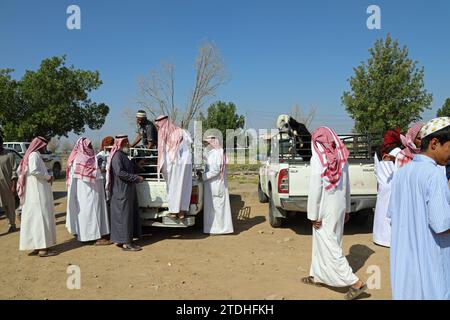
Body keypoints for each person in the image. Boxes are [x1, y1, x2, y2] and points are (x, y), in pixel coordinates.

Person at [388, 117, 450, 300]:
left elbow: (392, 214)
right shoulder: (434, 175)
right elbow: (442, 224)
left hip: (406, 263)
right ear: (434, 143)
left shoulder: (402, 173)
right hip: (430, 262)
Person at [302, 127, 367, 300]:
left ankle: (355, 282)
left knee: (329, 244)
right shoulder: (341, 156)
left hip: (324, 206)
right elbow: (347, 184)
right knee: (327, 242)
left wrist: (313, 214)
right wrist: (346, 208)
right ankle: (317, 276)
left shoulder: (318, 158)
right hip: (338, 206)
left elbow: (316, 187)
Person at [17, 137, 57, 257]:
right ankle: (42, 248)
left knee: (35, 218)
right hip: (37, 190)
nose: (45, 147)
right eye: (44, 145)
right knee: (41, 217)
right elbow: (34, 170)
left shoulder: (33, 154)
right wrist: (48, 177)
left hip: (35, 190)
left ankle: (36, 245)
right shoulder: (34, 155)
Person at [66, 138, 111, 245]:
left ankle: (91, 235)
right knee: (90, 212)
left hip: (94, 190)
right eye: (89, 145)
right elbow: (83, 175)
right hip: (85, 192)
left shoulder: (92, 157)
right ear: (83, 146)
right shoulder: (79, 159)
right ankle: (93, 237)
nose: (91, 146)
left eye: (91, 144)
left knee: (94, 211)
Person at [106, 135, 144, 251]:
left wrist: (138, 166)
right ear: (121, 144)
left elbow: (129, 168)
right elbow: (120, 173)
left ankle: (122, 240)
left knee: (125, 217)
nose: (129, 145)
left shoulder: (123, 156)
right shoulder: (117, 156)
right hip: (121, 192)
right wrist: (136, 178)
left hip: (125, 191)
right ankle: (127, 243)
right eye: (126, 143)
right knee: (124, 217)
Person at [154, 115, 192, 220]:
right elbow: (190, 142)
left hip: (173, 165)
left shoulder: (162, 133)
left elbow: (162, 153)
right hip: (184, 164)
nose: (158, 127)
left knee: (174, 188)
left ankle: (175, 212)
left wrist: (160, 168)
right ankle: (181, 212)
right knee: (183, 187)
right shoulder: (182, 131)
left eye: (158, 125)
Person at [372, 129, 403, 247]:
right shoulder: (399, 152)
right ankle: (390, 240)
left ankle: (379, 238)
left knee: (381, 213)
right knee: (392, 214)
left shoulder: (378, 152)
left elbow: (376, 170)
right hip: (394, 186)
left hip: (382, 186)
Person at [200, 136, 234, 235]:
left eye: (206, 143)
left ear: (212, 143)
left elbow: (215, 170)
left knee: (217, 208)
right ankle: (217, 228)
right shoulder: (217, 152)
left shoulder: (216, 153)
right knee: (217, 207)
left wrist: (203, 177)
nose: (205, 146)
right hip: (216, 184)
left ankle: (219, 230)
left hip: (215, 184)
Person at [0, 135, 18, 233]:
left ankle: (12, 224)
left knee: (9, 205)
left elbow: (14, 171)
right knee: (3, 205)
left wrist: (14, 185)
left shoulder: (9, 155)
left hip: (7, 184)